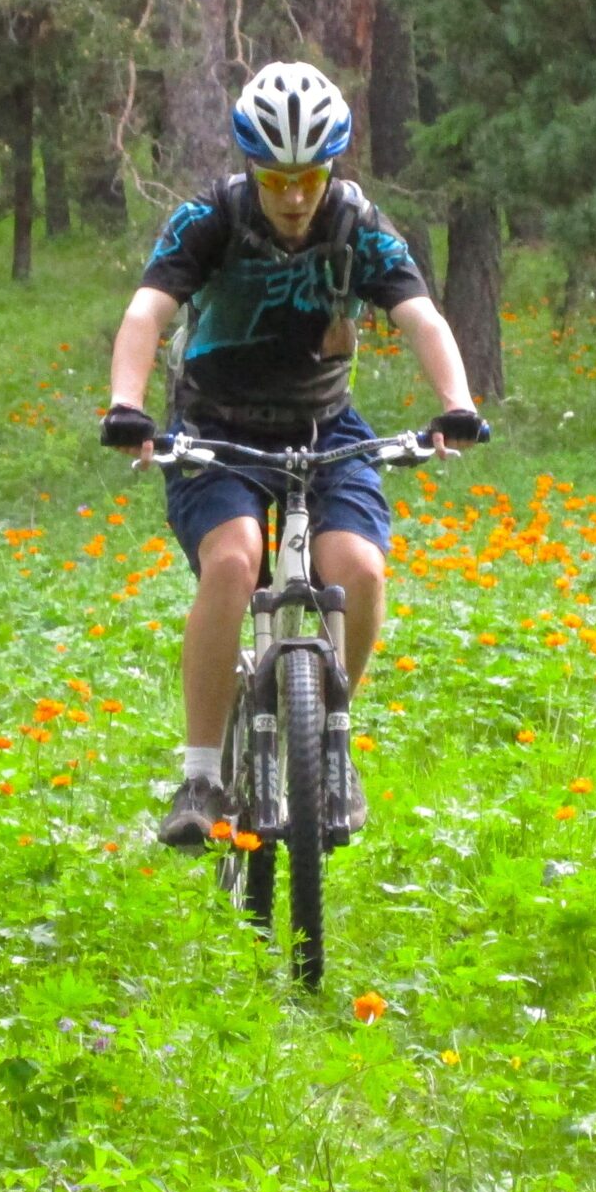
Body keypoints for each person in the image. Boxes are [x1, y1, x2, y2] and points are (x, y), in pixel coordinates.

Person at [98, 61, 485, 850]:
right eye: (278, 180)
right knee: (236, 562)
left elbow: (420, 316)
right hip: (217, 428)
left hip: (324, 425)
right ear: (252, 168)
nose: (295, 196)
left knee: (362, 569)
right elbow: (147, 312)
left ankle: (332, 740)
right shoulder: (210, 218)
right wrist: (127, 407)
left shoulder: (357, 224)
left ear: (330, 167)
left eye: (310, 177)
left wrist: (458, 402)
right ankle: (202, 772)